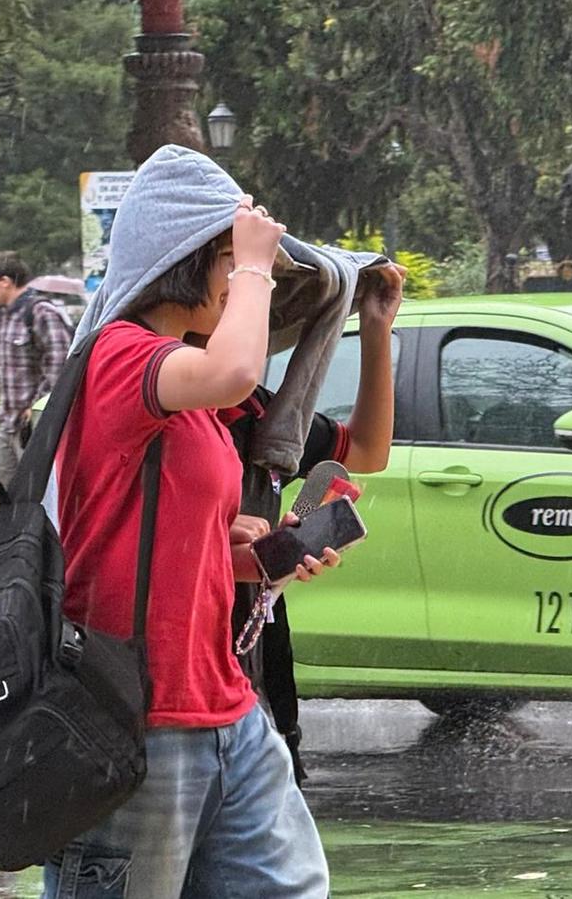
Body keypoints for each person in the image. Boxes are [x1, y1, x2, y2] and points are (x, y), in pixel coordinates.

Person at [43, 147, 338, 898]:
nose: (242, 290)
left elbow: (160, 528)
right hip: (137, 717)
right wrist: (254, 260)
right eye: (225, 266)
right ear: (191, 260)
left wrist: (243, 553)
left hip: (227, 708)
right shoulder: (120, 356)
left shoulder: (184, 382)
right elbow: (237, 370)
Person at [226, 261, 405, 782]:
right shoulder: (173, 409)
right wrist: (224, 544)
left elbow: (368, 450)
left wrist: (375, 328)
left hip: (254, 663)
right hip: (186, 673)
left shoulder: (263, 417)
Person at [0, 251, 71, 485]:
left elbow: (60, 360)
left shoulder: (41, 312)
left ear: (6, 282)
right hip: (8, 421)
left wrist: (38, 404)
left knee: (37, 491)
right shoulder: (7, 316)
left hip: (34, 423)